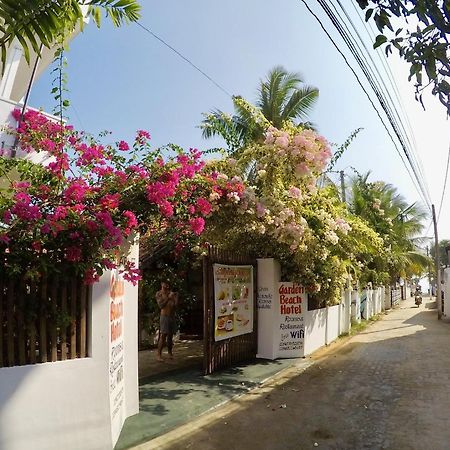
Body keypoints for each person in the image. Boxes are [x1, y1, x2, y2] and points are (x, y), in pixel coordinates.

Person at [156, 280, 178, 361]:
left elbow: (175, 306)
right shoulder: (159, 294)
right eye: (165, 283)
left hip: (172, 316)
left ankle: (170, 353)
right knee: (163, 335)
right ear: (162, 284)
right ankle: (158, 354)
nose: (166, 285)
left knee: (170, 336)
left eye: (167, 284)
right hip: (164, 316)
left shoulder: (171, 293)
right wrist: (168, 298)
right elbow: (161, 305)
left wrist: (175, 298)